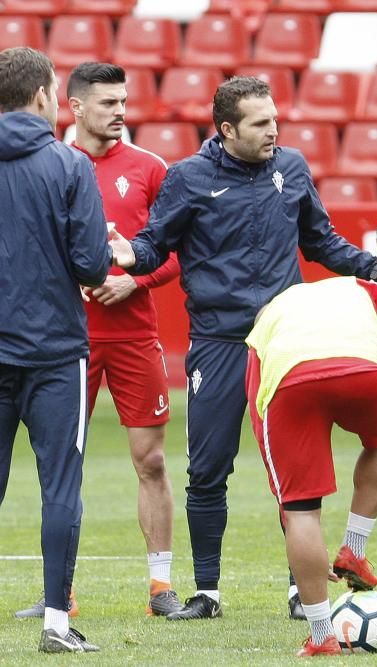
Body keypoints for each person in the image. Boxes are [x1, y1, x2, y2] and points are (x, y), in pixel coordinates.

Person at [107, 76, 377, 621]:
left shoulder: (292, 168)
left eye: (275, 118)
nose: (274, 129)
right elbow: (155, 242)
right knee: (207, 470)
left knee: (295, 475)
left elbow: (320, 240)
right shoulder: (188, 179)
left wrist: (374, 268)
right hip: (219, 343)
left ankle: (302, 591)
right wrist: (131, 255)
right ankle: (208, 592)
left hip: (286, 340)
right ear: (227, 129)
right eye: (260, 122)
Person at [24, 62, 183, 618]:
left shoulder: (150, 169)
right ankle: (58, 594)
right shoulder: (51, 165)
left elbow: (178, 251)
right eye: (108, 103)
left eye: (123, 102)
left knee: (152, 460)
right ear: (75, 107)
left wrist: (132, 279)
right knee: (63, 465)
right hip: (67, 342)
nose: (119, 112)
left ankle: (161, 587)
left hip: (134, 336)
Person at [244, 277, 377, 656]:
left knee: (302, 511)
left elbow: (259, 408)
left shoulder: (263, 327)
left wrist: (284, 494)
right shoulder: (358, 288)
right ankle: (355, 546)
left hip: (291, 381)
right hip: (364, 371)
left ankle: (321, 636)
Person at [0, 46, 110, 653]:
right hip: (54, 351)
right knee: (59, 487)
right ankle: (56, 626)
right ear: (44, 96)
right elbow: (93, 264)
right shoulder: (69, 167)